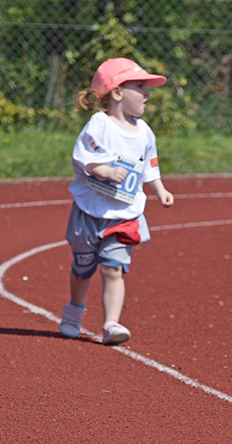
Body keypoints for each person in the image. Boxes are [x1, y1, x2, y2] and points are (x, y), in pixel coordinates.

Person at [60, 57, 175, 345]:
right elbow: (83, 156)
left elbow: (150, 165)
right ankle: (75, 308)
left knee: (113, 269)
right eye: (141, 87)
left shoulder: (144, 131)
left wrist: (160, 189)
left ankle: (111, 324)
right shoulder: (99, 123)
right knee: (82, 269)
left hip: (124, 216)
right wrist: (106, 171)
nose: (147, 93)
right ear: (118, 93)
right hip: (90, 212)